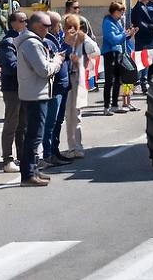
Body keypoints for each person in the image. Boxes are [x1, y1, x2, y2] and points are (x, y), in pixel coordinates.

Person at [15, 12, 64, 186]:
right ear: (36, 26)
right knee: (34, 136)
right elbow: (43, 70)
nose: (49, 29)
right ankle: (28, 174)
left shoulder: (33, 42)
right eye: (46, 25)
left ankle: (33, 170)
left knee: (36, 134)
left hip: (36, 93)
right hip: (35, 95)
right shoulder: (31, 44)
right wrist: (57, 61)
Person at [62, 14, 99, 159]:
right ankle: (74, 147)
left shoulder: (82, 37)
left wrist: (84, 60)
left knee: (74, 114)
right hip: (70, 78)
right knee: (71, 114)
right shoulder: (63, 37)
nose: (69, 29)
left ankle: (76, 147)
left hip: (76, 77)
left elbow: (96, 51)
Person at [42, 12, 73, 167]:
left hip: (63, 85)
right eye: (58, 23)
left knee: (58, 121)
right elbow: (58, 57)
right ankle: (48, 153)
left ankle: (54, 150)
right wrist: (67, 44)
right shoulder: (47, 41)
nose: (61, 26)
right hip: (55, 87)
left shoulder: (57, 37)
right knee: (51, 122)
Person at [0, 10, 28, 173]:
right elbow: (11, 67)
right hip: (12, 88)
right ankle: (7, 159)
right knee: (11, 123)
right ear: (13, 23)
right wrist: (30, 66)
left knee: (23, 124)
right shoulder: (8, 42)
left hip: (23, 86)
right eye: (22, 20)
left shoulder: (21, 39)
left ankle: (22, 155)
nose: (25, 23)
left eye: (26, 20)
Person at [100, 2, 136, 115]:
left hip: (118, 53)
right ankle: (106, 107)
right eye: (121, 12)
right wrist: (125, 34)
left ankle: (115, 105)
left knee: (117, 80)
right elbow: (113, 39)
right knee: (109, 81)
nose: (122, 14)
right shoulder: (107, 22)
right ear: (115, 11)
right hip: (110, 53)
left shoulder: (117, 21)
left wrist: (130, 34)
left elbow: (121, 36)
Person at [130, 0, 153, 93]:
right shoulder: (140, 8)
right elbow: (141, 24)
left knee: (141, 59)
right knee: (143, 60)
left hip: (141, 37)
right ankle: (141, 81)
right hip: (144, 37)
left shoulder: (136, 8)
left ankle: (141, 81)